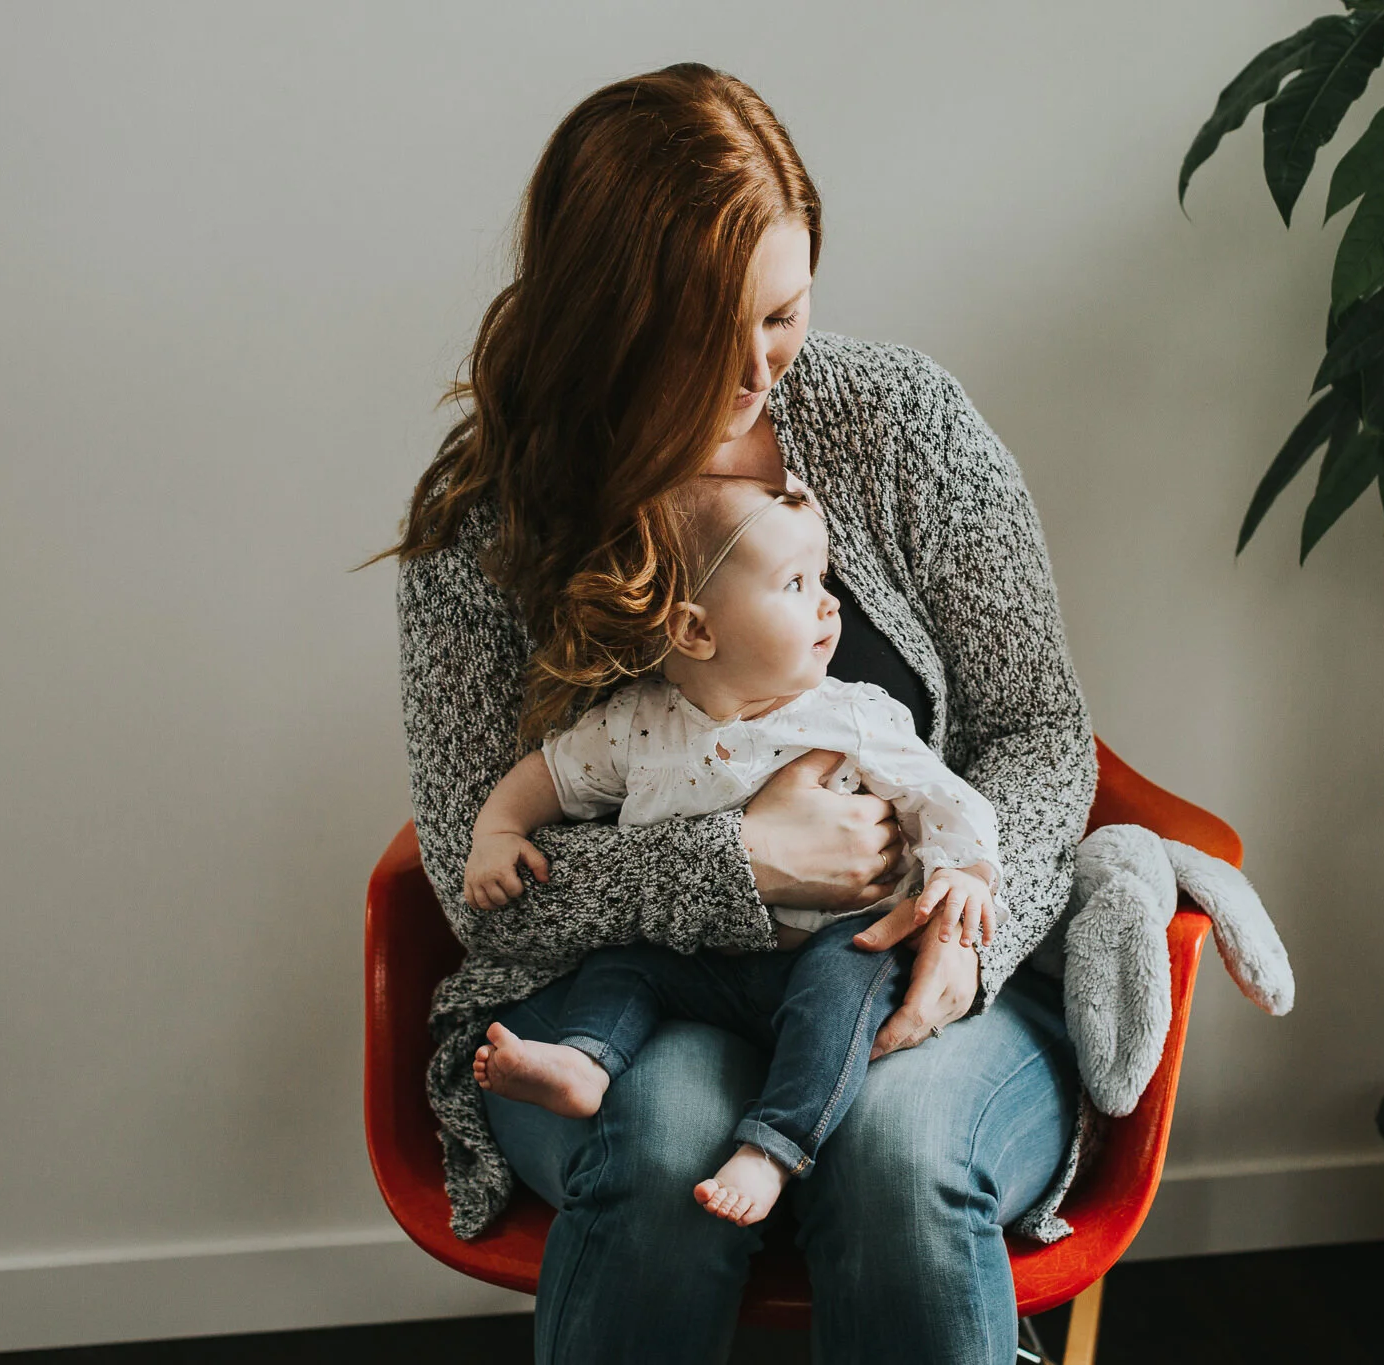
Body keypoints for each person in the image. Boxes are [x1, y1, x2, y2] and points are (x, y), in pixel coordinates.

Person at [372, 61, 1097, 1365]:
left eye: (786, 312)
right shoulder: (488, 521)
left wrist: (966, 930)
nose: (762, 367)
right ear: (608, 323)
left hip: (898, 960)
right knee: (663, 1143)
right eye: (716, 331)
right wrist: (737, 864)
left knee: (903, 1154)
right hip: (617, 1000)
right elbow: (479, 884)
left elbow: (1037, 726)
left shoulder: (898, 424)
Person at [461, 477, 1003, 1227]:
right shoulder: (637, 725)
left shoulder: (850, 716)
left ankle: (773, 1147)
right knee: (624, 964)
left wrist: (965, 872)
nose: (831, 604)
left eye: (823, 577)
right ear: (695, 631)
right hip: (706, 961)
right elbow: (547, 777)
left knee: (839, 995)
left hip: (834, 944)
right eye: (796, 583)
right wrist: (497, 833)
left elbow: (944, 799)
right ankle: (584, 1060)